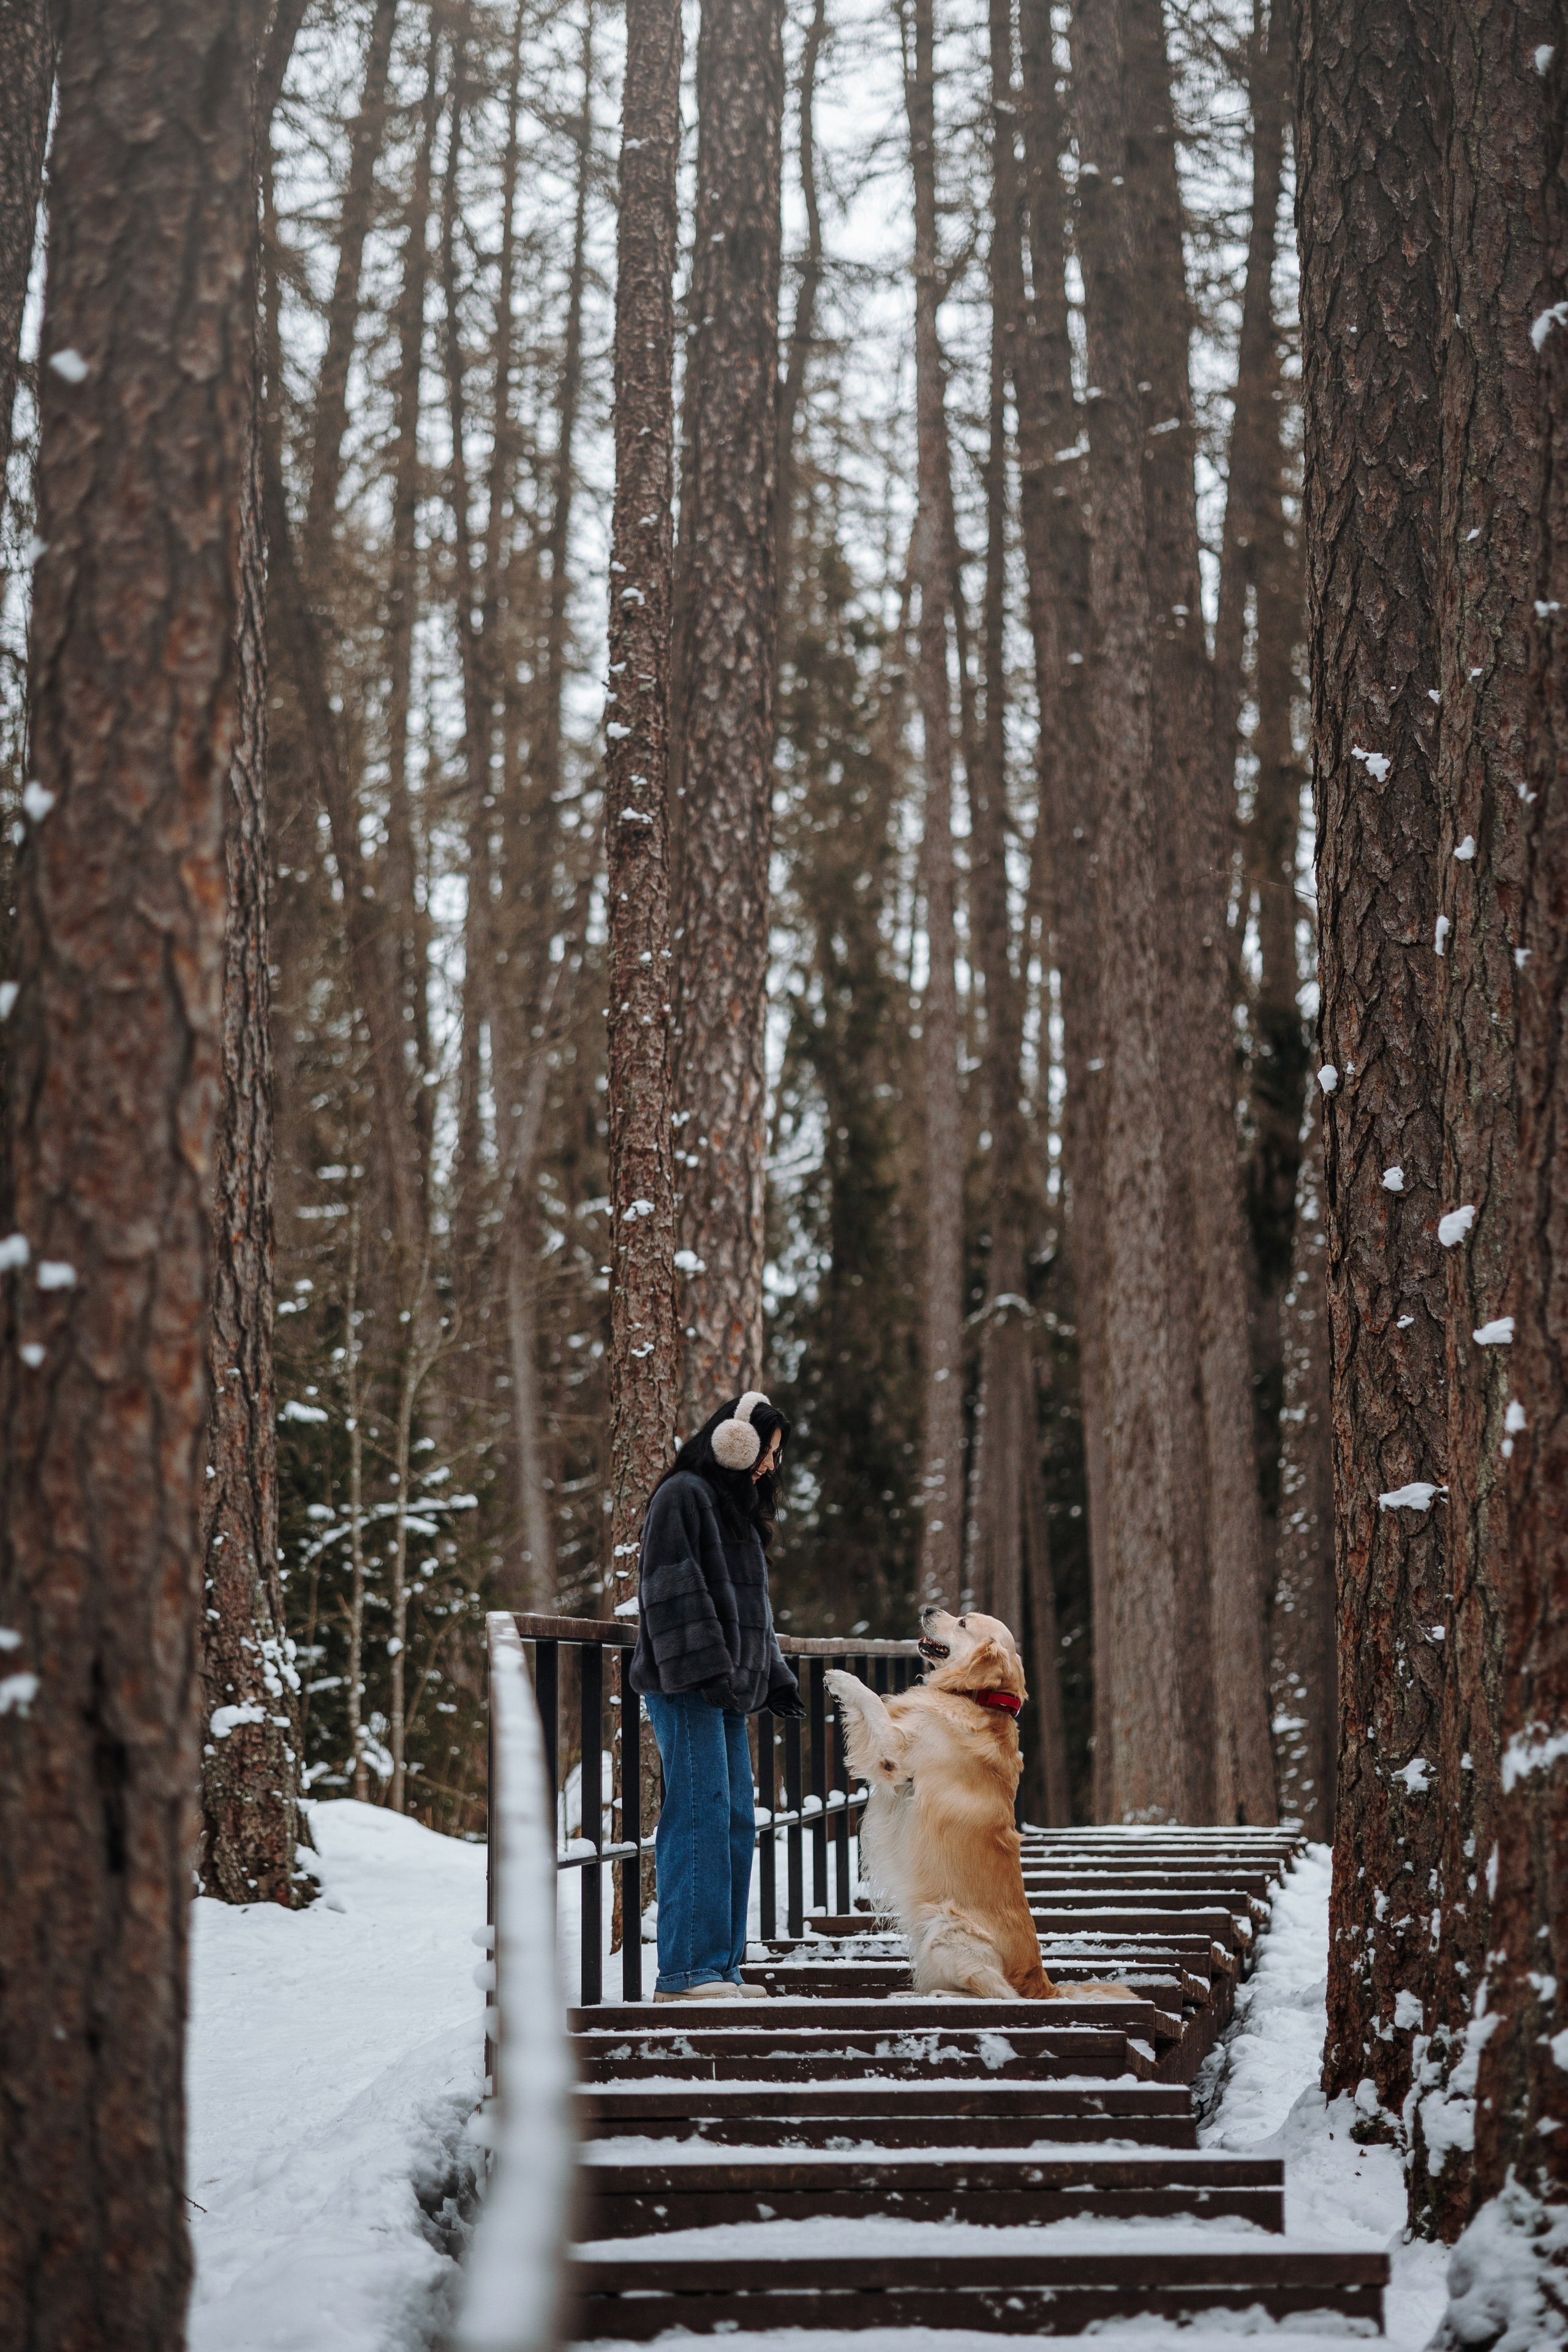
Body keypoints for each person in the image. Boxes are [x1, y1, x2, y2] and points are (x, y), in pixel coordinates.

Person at [628, 1390, 804, 2002]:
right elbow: (671, 1590)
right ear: (734, 1439)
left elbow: (752, 1613)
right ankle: (685, 1973)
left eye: (776, 1456)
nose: (768, 1467)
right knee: (699, 1815)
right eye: (766, 1451)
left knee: (732, 1821)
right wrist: (706, 1670)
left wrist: (774, 1676)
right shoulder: (682, 1496)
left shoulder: (733, 1511)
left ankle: (721, 1968)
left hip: (726, 1687)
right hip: (688, 1684)